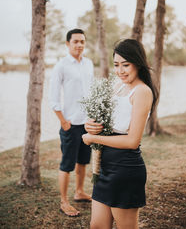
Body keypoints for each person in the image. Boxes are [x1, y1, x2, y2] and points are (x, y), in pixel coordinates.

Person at [82, 39, 158, 229]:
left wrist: (93, 139)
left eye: (126, 65)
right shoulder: (118, 86)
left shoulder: (142, 91)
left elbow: (133, 141)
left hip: (126, 169)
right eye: (116, 65)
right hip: (105, 167)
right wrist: (91, 125)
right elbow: (109, 123)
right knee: (97, 226)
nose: (120, 70)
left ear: (138, 63)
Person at [49, 28, 94, 217]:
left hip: (87, 123)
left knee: (83, 161)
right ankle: (64, 201)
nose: (79, 45)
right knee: (67, 164)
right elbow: (53, 97)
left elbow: (91, 91)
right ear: (68, 44)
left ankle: (79, 192)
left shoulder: (89, 63)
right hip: (70, 123)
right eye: (75, 41)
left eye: (82, 41)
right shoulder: (61, 66)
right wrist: (63, 121)